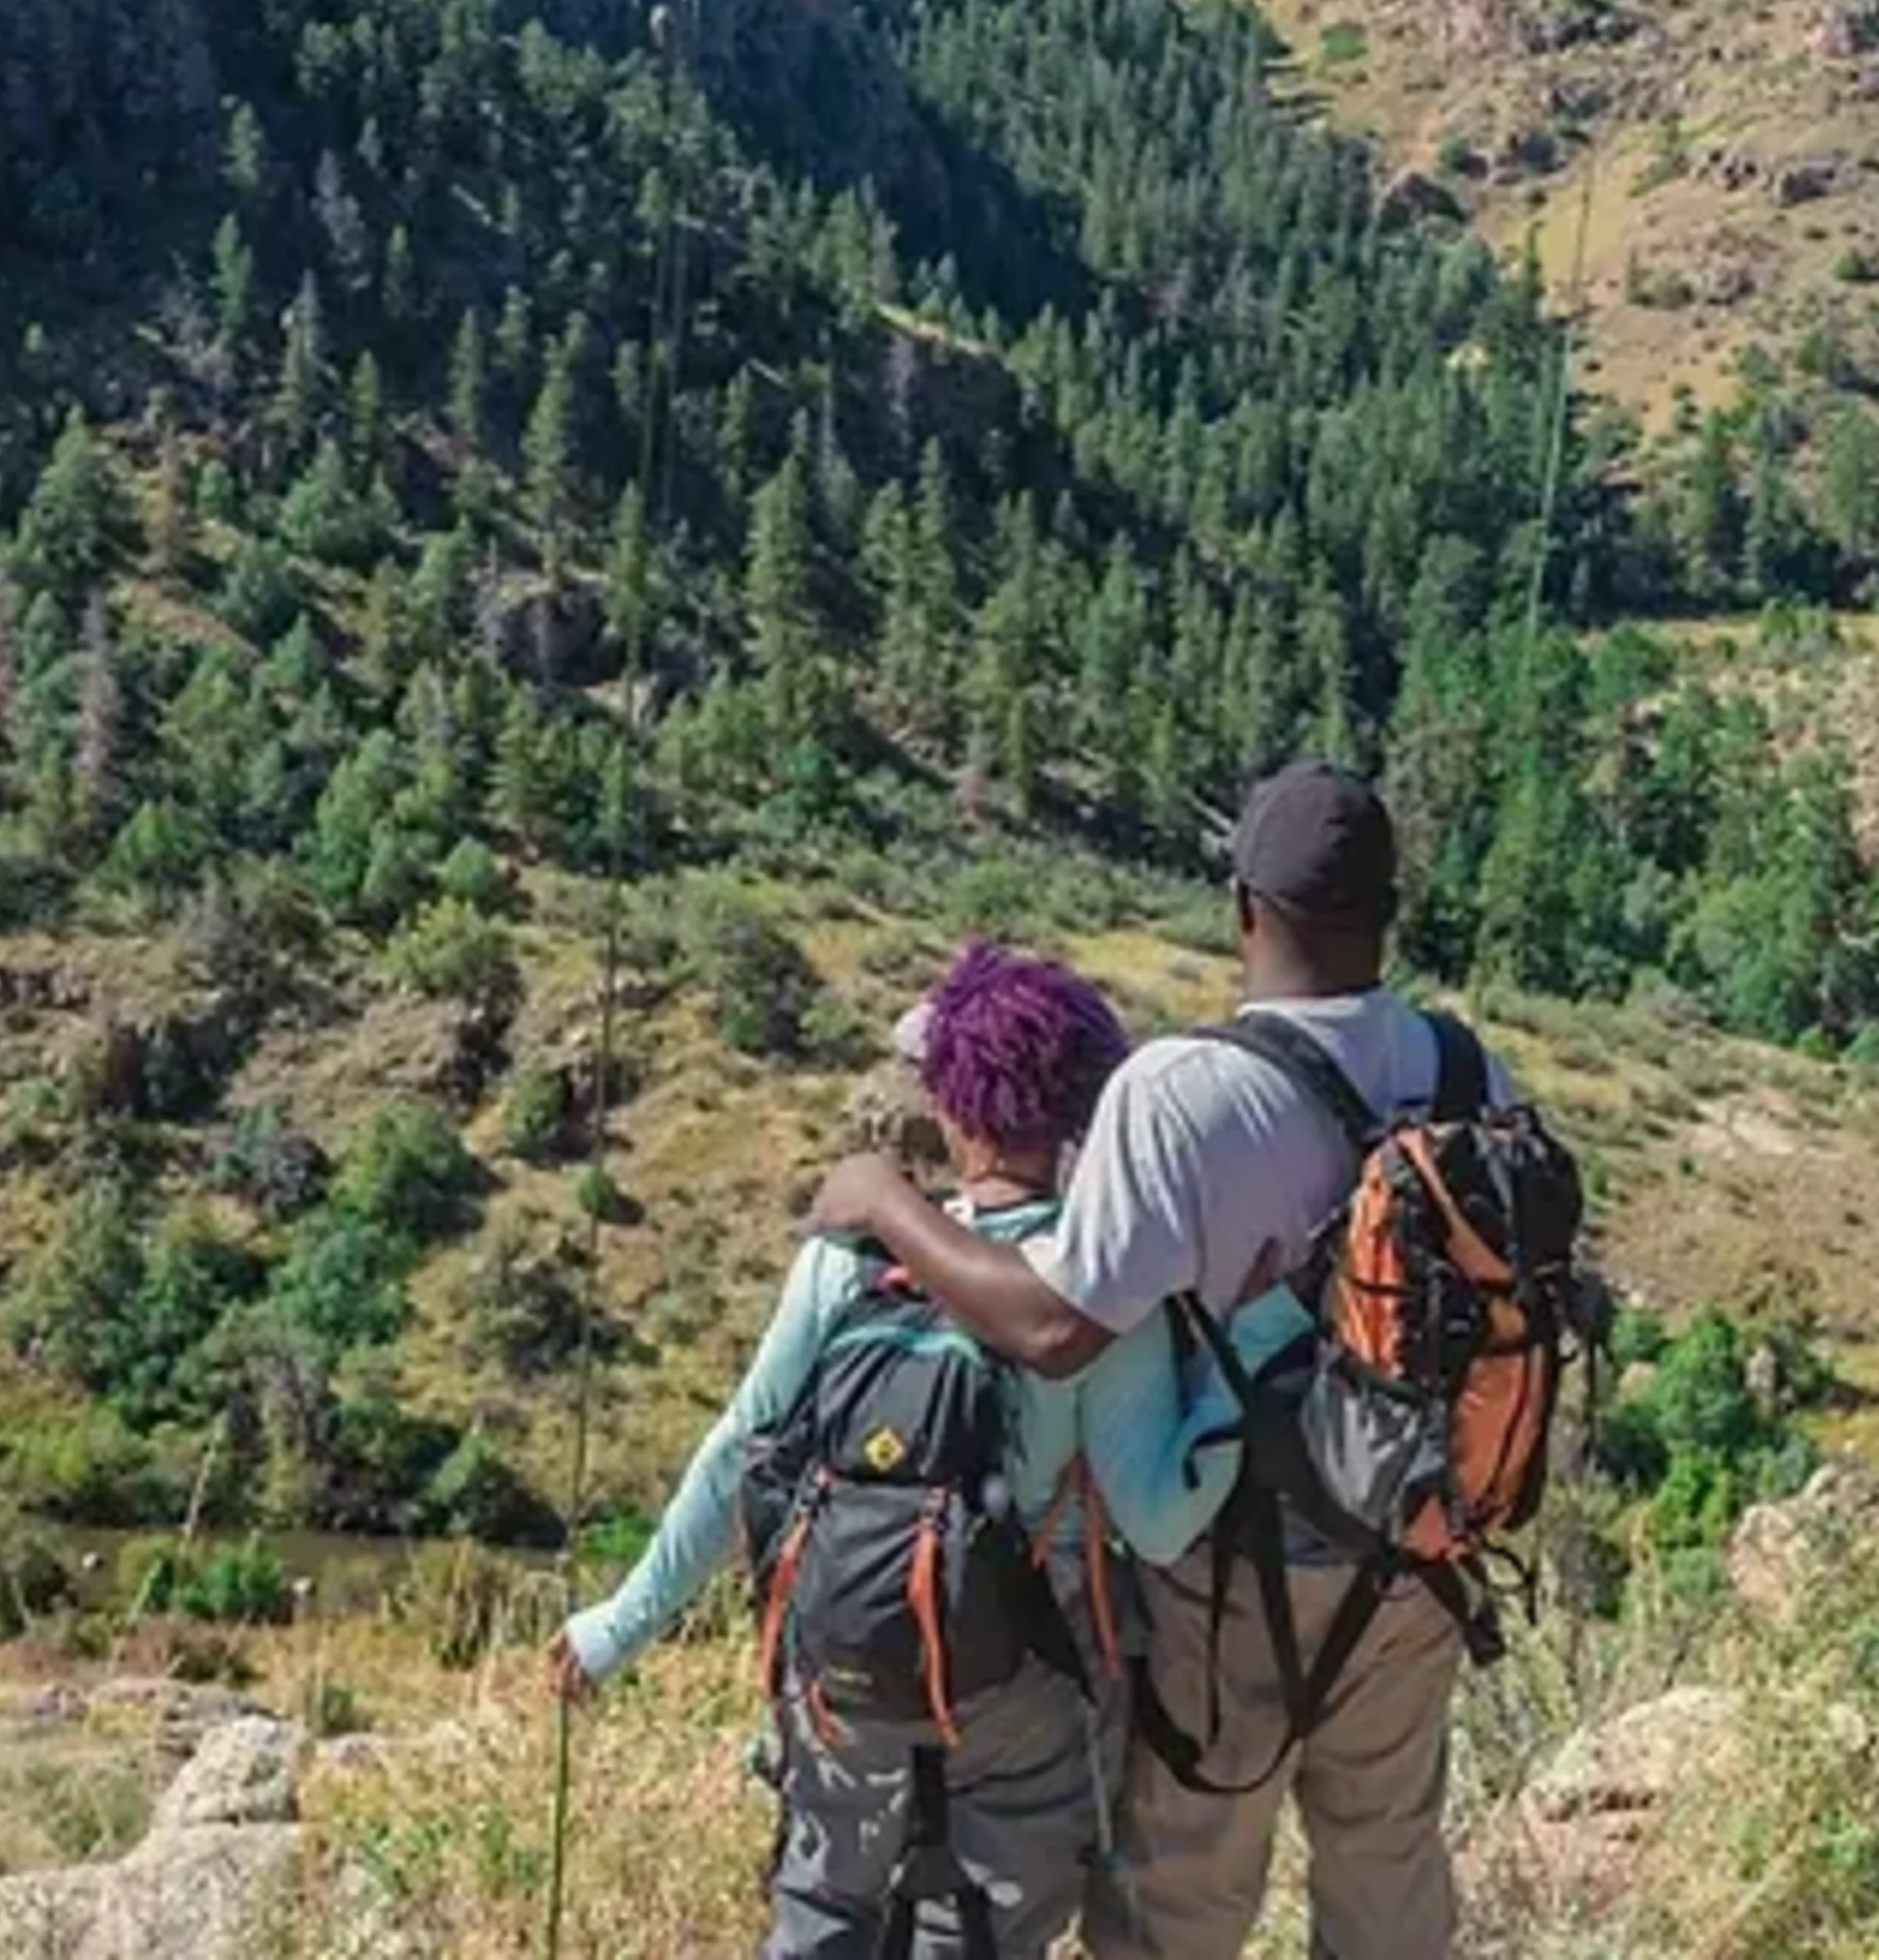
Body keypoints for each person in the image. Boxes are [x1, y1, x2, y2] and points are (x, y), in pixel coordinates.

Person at [814, 763, 1513, 1960]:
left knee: (1179, 1894)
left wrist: (889, 1206)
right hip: (1418, 1548)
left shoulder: (1179, 1091)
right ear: (1388, 911)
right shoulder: (1467, 1071)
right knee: (1387, 1869)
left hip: (1234, 1560)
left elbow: (1053, 1326)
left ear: (1244, 907)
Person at [557, 942, 1232, 1959]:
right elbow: (1158, 1518)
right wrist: (1241, 1353)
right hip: (1026, 1690)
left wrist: (619, 1626)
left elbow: (739, 1452)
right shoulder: (1096, 1295)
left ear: (951, 1111)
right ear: (1087, 1112)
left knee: (822, 1921)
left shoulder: (850, 1259)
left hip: (845, 1676)